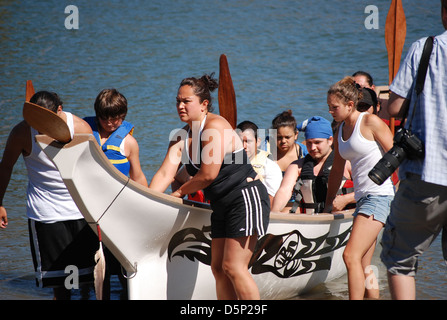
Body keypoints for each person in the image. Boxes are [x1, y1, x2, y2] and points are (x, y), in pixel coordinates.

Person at [148, 74, 270, 300]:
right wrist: (147, 201)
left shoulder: (216, 126)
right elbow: (166, 173)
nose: (180, 106)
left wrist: (177, 193)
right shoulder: (180, 137)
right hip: (221, 206)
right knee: (218, 269)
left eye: (186, 101)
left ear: (204, 104)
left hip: (245, 198)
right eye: (177, 101)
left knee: (234, 267)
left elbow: (207, 175)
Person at [0, 91, 98, 300]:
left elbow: (95, 169)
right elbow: (6, 166)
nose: (40, 125)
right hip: (46, 214)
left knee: (88, 282)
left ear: (59, 111)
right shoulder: (22, 132)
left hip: (80, 211)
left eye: (46, 119)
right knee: (60, 285)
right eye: (37, 118)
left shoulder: (80, 128)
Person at [380, 0, 447, 300]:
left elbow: (395, 108)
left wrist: (378, 103)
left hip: (428, 175)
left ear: (444, 12)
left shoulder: (427, 48)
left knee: (401, 259)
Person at [324, 77, 395, 300]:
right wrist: (327, 203)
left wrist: (403, 193)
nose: (331, 112)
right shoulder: (341, 130)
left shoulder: (370, 122)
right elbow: (336, 170)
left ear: (350, 105)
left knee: (350, 256)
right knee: (364, 262)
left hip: (380, 196)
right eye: (329, 107)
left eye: (334, 107)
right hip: (364, 199)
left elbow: (397, 155)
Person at [272, 116, 354, 214]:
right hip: (311, 219)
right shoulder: (296, 166)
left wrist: (346, 199)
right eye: (309, 143)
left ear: (330, 140)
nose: (313, 148)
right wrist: (275, 210)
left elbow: (370, 190)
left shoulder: (347, 163)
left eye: (317, 142)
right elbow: (284, 190)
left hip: (342, 217)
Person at [84, 88, 148, 187]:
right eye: (104, 119)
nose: (109, 123)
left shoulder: (129, 143)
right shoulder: (84, 132)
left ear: (122, 116)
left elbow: (137, 177)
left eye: (114, 119)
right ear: (98, 116)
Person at [237, 120, 282, 206]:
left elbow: (269, 201)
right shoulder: (227, 163)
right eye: (240, 141)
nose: (244, 146)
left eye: (248, 141)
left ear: (258, 141)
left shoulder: (271, 167)